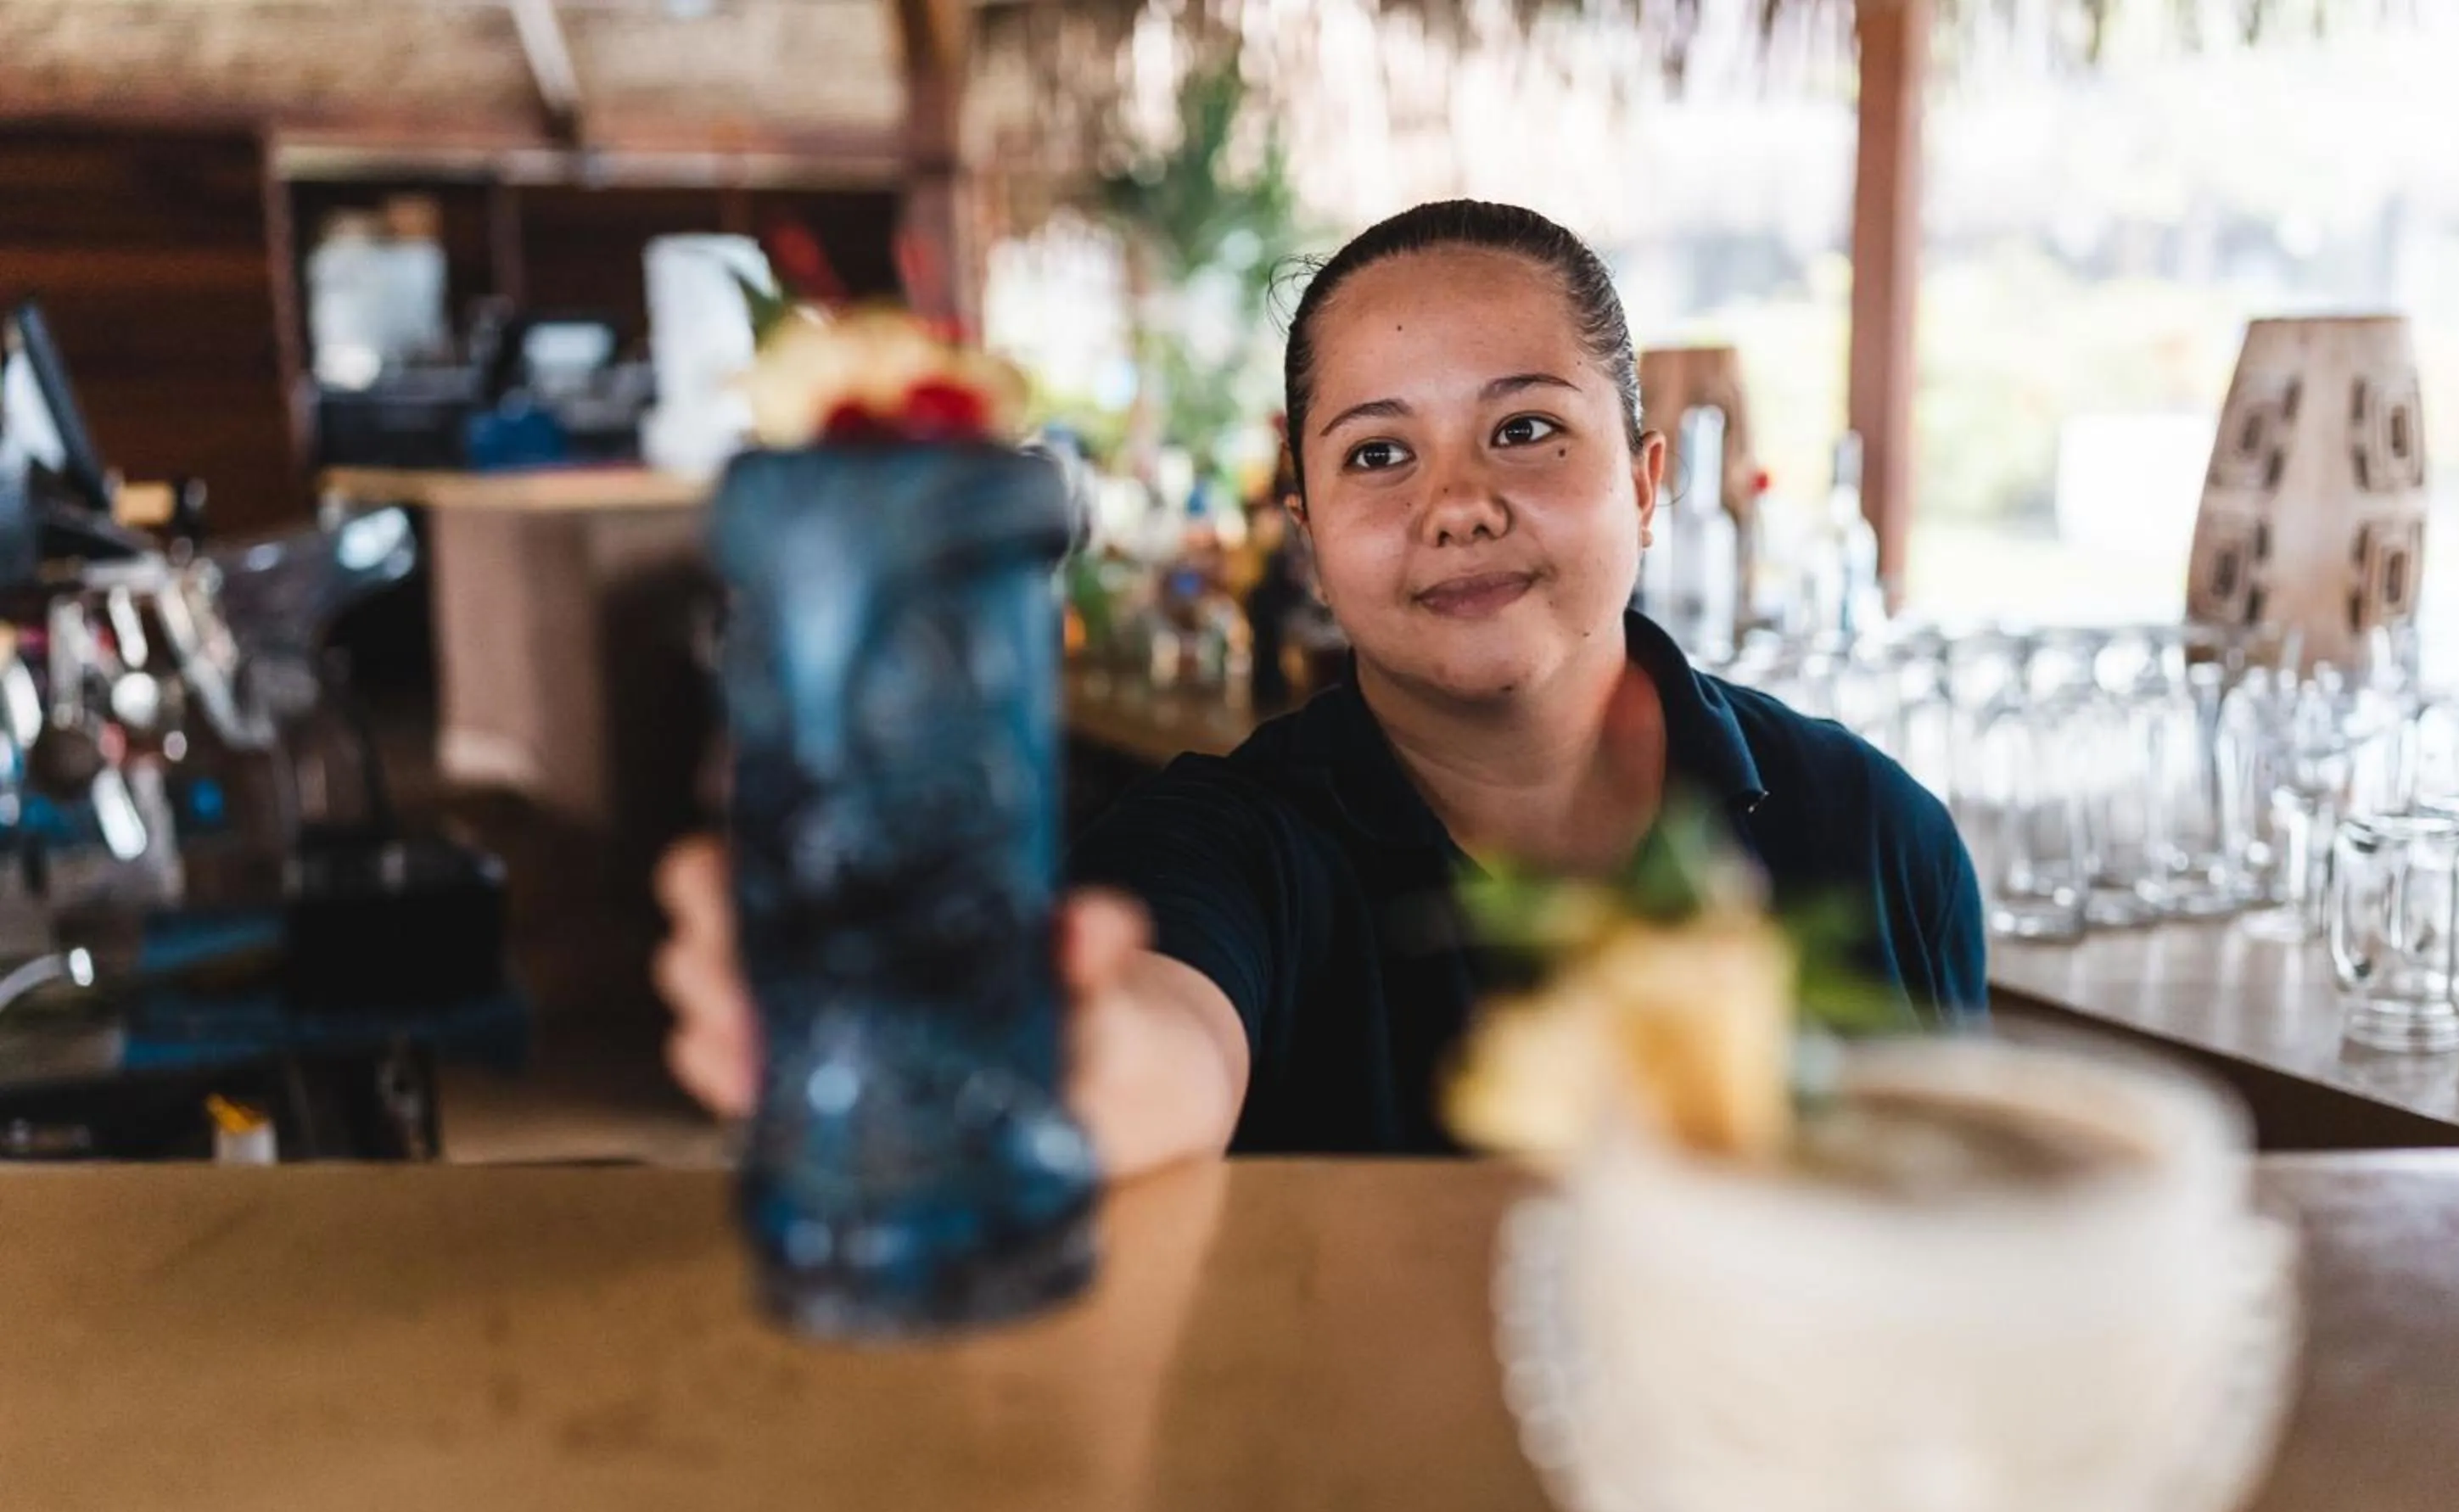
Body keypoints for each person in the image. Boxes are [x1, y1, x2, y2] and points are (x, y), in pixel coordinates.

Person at [654, 199, 1986, 1179]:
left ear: (1644, 480)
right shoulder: (1223, 847)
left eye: (1524, 430)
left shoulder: (1871, 834)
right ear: (1306, 530)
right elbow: (1155, 1042)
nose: (1458, 505)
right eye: (1377, 455)